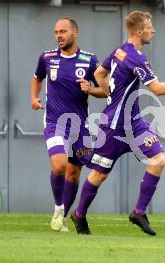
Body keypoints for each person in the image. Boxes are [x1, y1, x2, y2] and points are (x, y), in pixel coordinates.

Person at [70, 11, 165, 235]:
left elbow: (99, 72)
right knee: (100, 174)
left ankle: (138, 212)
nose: (153, 30)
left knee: (158, 160)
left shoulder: (120, 50)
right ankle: (78, 215)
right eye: (149, 26)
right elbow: (156, 89)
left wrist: (109, 92)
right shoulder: (136, 58)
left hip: (135, 123)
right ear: (139, 31)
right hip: (114, 127)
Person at [30, 17, 107, 232]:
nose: (59, 36)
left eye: (63, 31)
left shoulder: (90, 60)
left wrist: (90, 89)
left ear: (75, 32)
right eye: (56, 32)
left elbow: (106, 90)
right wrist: (34, 98)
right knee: (59, 165)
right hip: (55, 122)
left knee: (73, 173)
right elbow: (37, 78)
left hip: (80, 128)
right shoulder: (47, 58)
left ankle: (63, 214)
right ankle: (58, 208)